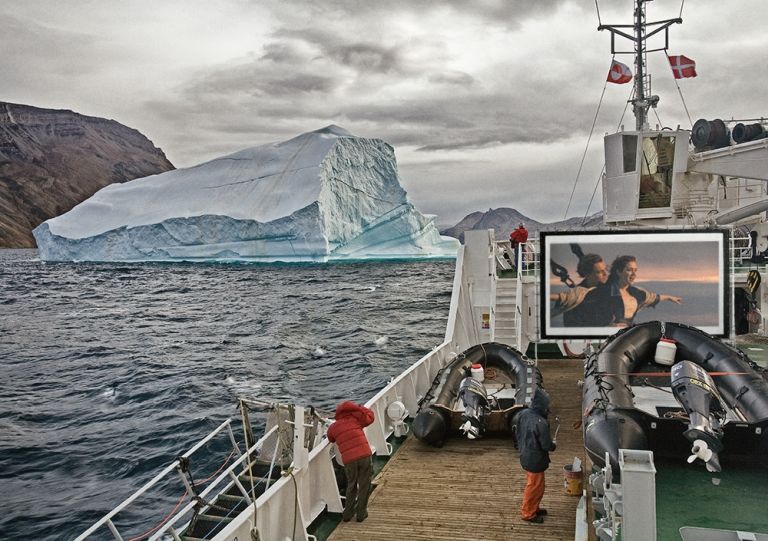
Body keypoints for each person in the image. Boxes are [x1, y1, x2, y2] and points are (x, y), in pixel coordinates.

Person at [578, 255, 683, 327]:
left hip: (627, 336)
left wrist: (669, 297)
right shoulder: (601, 293)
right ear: (619, 272)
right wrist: (605, 328)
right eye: (629, 270)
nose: (634, 274)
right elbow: (584, 318)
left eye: (635, 270)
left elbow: (653, 297)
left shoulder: (636, 293)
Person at [327, 401, 375, 522]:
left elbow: (330, 438)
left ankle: (347, 514)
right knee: (365, 485)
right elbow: (370, 418)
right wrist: (360, 409)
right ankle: (361, 513)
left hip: (349, 460)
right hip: (364, 455)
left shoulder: (334, 427)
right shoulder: (356, 420)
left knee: (351, 485)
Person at [514, 388, 557, 524]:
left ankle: (534, 507)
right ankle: (528, 513)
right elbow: (546, 445)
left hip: (525, 453)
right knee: (534, 487)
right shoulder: (541, 423)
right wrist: (553, 445)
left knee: (538, 486)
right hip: (535, 459)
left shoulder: (524, 414)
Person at [549, 254, 609, 326]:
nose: (606, 273)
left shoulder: (606, 287)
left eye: (605, 269)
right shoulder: (579, 294)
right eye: (599, 272)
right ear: (587, 275)